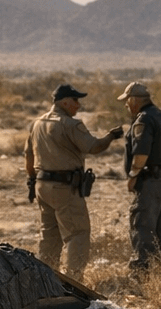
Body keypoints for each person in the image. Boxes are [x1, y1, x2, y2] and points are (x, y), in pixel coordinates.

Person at [23, 83, 123, 281]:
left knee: (49, 237)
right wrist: (111, 136)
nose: (78, 105)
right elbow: (93, 147)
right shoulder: (70, 124)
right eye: (76, 101)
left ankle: (44, 281)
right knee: (77, 233)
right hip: (65, 187)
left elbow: (28, 156)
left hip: (42, 185)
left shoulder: (37, 123)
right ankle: (74, 281)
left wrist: (32, 181)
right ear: (65, 102)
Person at [118, 81, 161, 270]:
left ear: (134, 99)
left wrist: (133, 175)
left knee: (142, 225)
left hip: (150, 179)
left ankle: (142, 271)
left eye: (127, 100)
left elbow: (141, 153)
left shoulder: (143, 119)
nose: (126, 105)